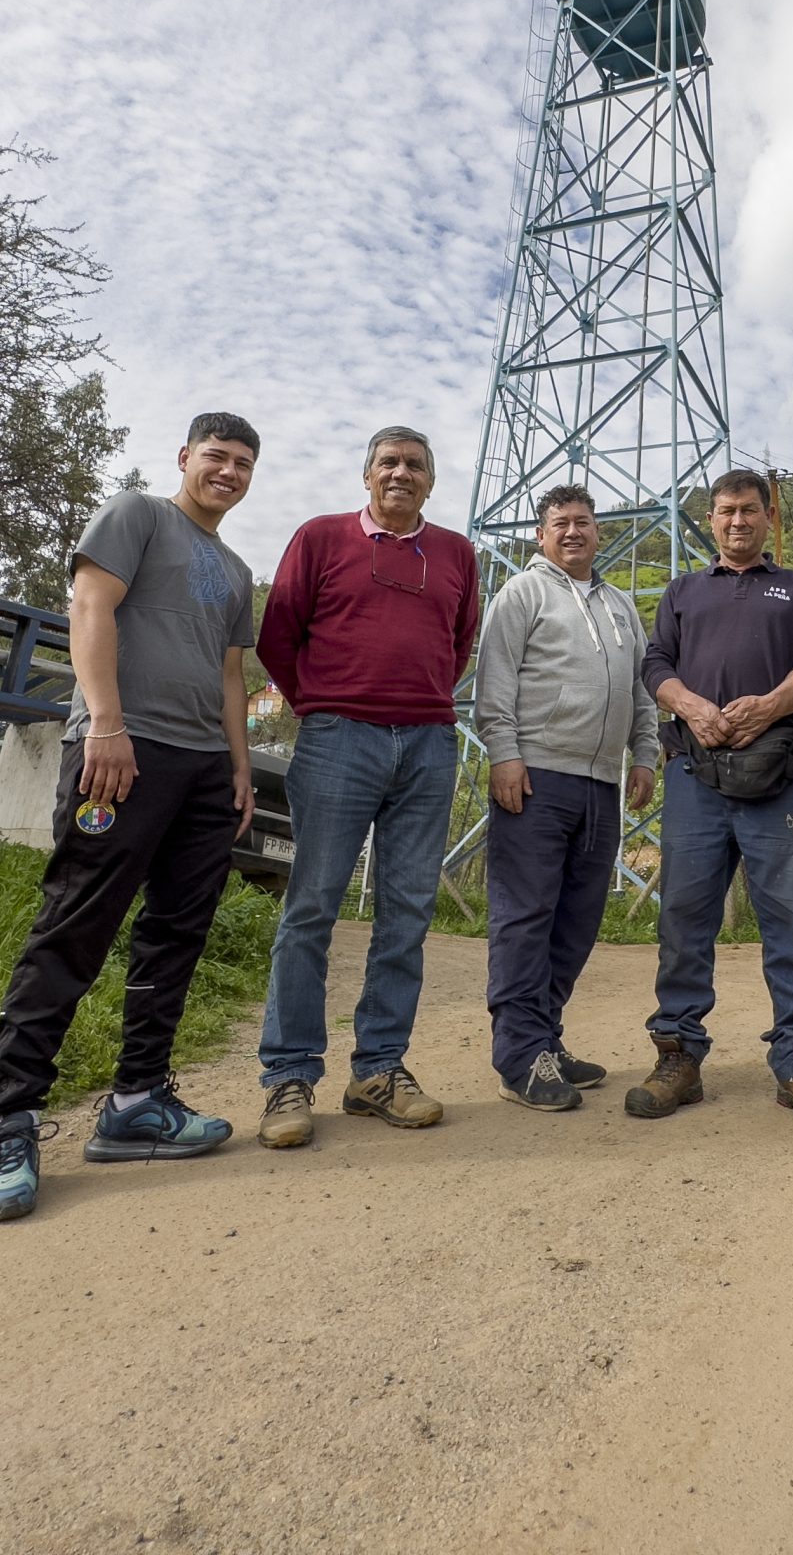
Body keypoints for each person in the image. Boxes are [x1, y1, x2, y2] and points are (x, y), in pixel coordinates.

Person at [0, 412, 263, 1224]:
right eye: (216, 457)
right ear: (185, 457)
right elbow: (90, 609)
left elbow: (231, 674)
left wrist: (238, 768)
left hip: (203, 769)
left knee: (177, 932)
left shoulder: (236, 569)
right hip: (122, 752)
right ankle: (13, 1121)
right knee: (77, 923)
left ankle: (137, 1101)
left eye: (243, 463)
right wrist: (105, 724)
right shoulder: (137, 514)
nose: (229, 473)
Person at [253, 426, 481, 1148]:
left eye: (415, 465)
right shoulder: (320, 538)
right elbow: (277, 637)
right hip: (336, 740)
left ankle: (379, 1069)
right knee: (312, 904)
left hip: (427, 745)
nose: (401, 473)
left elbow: (460, 641)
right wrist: (320, 701)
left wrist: (414, 703)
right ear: (366, 474)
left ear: (430, 481)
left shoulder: (455, 554)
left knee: (407, 911)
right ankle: (289, 1076)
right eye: (389, 463)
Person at [628, 468, 793, 1127]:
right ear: (712, 518)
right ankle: (679, 1058)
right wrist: (693, 707)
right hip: (696, 776)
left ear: (767, 516)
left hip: (778, 779)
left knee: (788, 922)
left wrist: (772, 705)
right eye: (725, 511)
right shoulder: (684, 590)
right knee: (685, 922)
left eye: (749, 511)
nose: (736, 522)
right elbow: (654, 665)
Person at [473, 483, 659, 1111]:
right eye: (560, 523)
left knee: (576, 919)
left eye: (583, 522)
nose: (572, 532)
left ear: (598, 532)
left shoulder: (621, 605)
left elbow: (639, 691)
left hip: (602, 782)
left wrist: (645, 755)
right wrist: (503, 754)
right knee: (525, 917)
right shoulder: (522, 593)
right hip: (535, 776)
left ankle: (544, 1038)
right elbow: (493, 682)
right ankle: (521, 1058)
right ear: (540, 534)